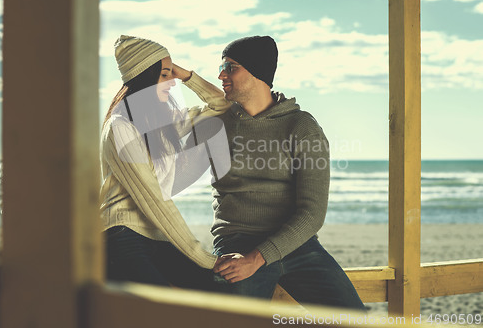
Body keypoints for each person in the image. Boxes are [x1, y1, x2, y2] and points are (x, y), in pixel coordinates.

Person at [211, 35, 365, 310]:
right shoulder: (216, 125)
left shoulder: (301, 127)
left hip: (296, 244)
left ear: (257, 72)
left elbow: (312, 214)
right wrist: (186, 77)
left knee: (354, 318)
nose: (221, 74)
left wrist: (258, 259)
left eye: (230, 66)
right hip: (237, 242)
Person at [99, 35, 230, 291]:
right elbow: (155, 200)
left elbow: (221, 106)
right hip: (121, 234)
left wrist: (187, 75)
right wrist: (204, 258)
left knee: (216, 290)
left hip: (156, 234)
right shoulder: (120, 127)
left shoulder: (160, 120)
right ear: (144, 77)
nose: (172, 82)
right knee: (164, 309)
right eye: (164, 75)